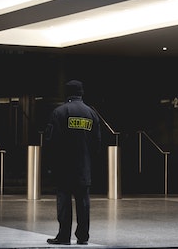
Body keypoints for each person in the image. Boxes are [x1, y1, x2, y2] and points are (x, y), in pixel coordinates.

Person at [45, 80, 101, 245]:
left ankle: (64, 236)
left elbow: (51, 142)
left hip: (64, 168)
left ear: (67, 93)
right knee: (83, 202)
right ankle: (83, 237)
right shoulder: (91, 114)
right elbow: (97, 144)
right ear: (82, 93)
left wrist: (50, 165)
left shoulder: (59, 112)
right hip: (84, 167)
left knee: (64, 202)